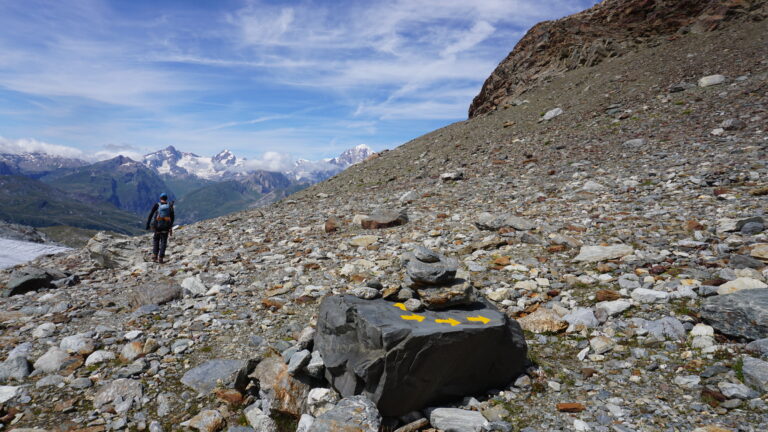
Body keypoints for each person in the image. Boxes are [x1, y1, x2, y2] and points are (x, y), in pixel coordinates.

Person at [145, 193, 174, 263]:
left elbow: (151, 214)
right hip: (166, 227)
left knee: (156, 240)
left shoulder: (157, 205)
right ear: (166, 198)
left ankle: (155, 255)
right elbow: (172, 217)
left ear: (160, 198)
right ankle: (161, 257)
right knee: (164, 241)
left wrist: (148, 224)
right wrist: (170, 226)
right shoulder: (170, 206)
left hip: (157, 226)